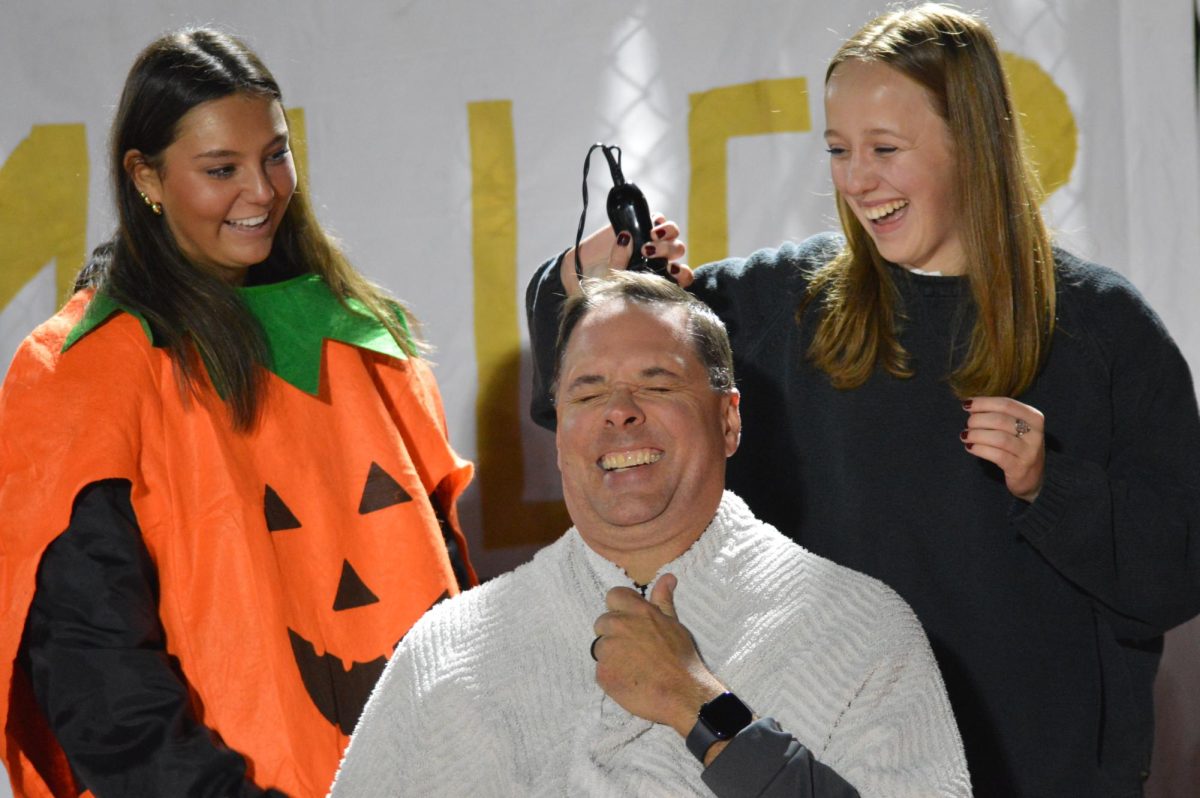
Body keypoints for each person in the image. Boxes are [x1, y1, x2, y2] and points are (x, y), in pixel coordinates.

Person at [525, 5, 1200, 796]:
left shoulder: (1098, 327)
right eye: (839, 150)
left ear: (973, 145)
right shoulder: (785, 303)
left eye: (885, 149)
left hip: (1038, 770)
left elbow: (1176, 572)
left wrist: (1050, 488)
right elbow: (601, 378)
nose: (857, 179)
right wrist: (584, 278)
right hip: (826, 768)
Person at [0, 29, 475, 797]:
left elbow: (442, 582)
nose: (262, 192)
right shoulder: (81, 373)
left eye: (276, 155)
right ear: (145, 177)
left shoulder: (360, 332)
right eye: (221, 169)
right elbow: (96, 670)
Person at [332, 272, 970, 797]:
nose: (619, 411)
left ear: (728, 420)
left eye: (656, 384)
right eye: (587, 394)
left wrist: (703, 709)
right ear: (558, 438)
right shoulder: (447, 652)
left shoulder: (860, 629)